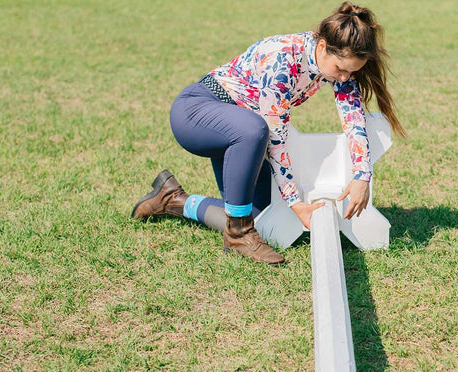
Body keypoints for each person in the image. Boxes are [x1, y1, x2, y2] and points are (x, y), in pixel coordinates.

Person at [131, 2, 404, 265]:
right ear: (323, 47)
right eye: (341, 69)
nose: (345, 77)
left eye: (352, 71)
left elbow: (354, 120)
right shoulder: (282, 58)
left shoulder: (336, 66)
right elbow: (275, 134)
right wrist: (296, 203)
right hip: (196, 112)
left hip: (239, 129)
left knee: (260, 216)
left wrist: (361, 175)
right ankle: (238, 237)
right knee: (255, 129)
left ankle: (172, 199)